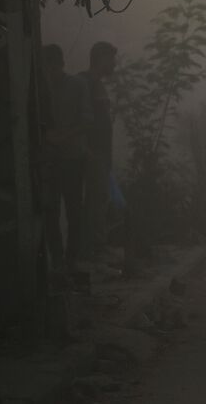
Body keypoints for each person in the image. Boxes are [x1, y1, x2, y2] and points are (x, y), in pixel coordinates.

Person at [41, 44, 93, 272]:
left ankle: (70, 259)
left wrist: (61, 137)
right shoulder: (41, 87)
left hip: (72, 156)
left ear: (57, 64)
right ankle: (58, 259)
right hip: (50, 158)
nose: (48, 72)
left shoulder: (77, 84)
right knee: (50, 209)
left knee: (73, 210)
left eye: (49, 66)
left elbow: (87, 120)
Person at [76, 41, 117, 258]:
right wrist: (86, 149)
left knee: (99, 199)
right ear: (100, 58)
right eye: (111, 59)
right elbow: (81, 119)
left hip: (100, 154)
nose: (114, 65)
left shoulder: (96, 84)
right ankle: (93, 250)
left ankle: (93, 247)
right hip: (91, 154)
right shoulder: (84, 82)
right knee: (94, 201)